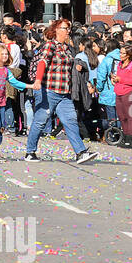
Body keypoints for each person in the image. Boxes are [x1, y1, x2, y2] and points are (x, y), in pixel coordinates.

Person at [24, 19, 98, 165]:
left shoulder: (67, 48)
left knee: (70, 121)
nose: (68, 31)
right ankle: (30, 151)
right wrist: (38, 80)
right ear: (56, 30)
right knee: (40, 121)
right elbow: (42, 62)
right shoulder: (50, 45)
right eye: (65, 28)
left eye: (69, 28)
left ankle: (81, 152)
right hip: (48, 90)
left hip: (64, 93)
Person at [113, 45, 132, 148]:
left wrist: (120, 79)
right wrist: (115, 79)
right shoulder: (120, 64)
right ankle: (125, 137)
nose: (121, 55)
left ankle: (130, 139)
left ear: (129, 54)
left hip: (128, 92)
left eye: (123, 53)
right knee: (121, 116)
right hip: (118, 91)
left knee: (129, 116)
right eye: (120, 53)